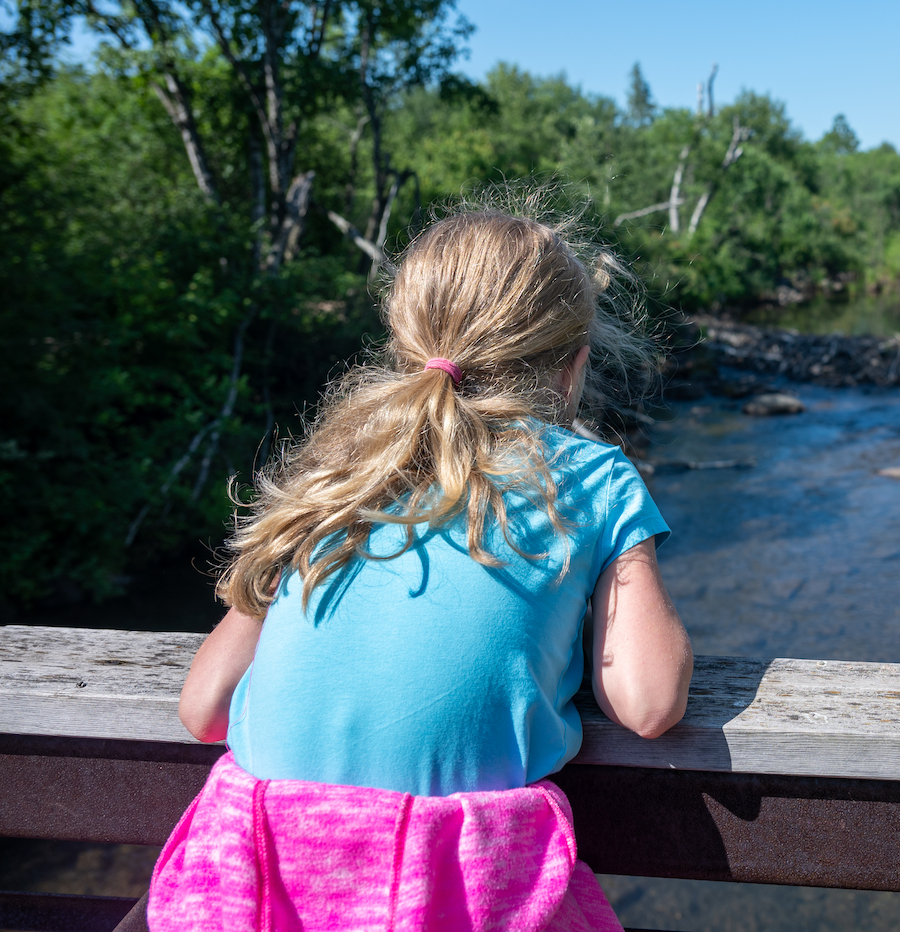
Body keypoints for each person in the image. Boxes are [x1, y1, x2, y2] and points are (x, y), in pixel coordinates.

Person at [153, 205, 691, 932]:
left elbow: (205, 707)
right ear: (573, 365)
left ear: (407, 339)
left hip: (261, 879)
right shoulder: (594, 477)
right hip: (452, 881)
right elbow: (650, 702)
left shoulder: (341, 471)